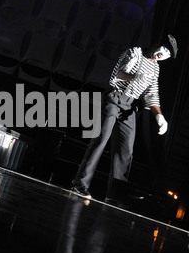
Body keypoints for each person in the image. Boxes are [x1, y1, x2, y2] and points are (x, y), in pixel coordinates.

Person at [71, 34, 178, 200]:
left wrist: (159, 116)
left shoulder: (156, 68)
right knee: (100, 140)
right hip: (115, 98)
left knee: (126, 150)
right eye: (164, 49)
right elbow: (118, 74)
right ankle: (80, 184)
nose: (163, 55)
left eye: (168, 55)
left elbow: (152, 94)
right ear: (157, 43)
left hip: (130, 107)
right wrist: (135, 77)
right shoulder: (135, 52)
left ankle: (115, 195)